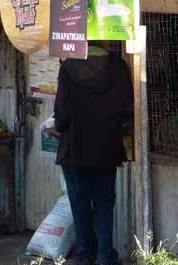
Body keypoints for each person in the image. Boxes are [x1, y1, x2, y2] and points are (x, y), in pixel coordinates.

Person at [53, 44, 133, 265]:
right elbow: (128, 109)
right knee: (104, 203)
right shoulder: (119, 67)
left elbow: (62, 116)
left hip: (75, 150)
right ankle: (105, 255)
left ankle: (85, 255)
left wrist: (59, 126)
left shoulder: (68, 68)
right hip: (107, 149)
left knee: (79, 204)